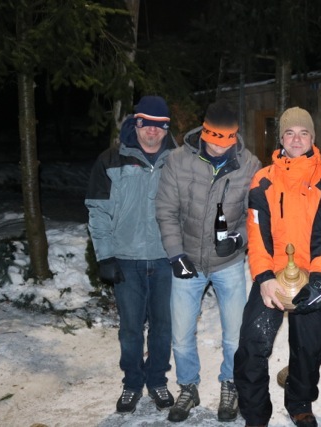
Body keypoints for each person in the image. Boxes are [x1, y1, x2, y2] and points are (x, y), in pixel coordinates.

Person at [233, 107, 321, 427]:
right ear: (281, 138)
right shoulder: (263, 179)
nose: (296, 139)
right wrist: (264, 277)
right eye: (289, 133)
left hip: (312, 277)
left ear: (312, 138)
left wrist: (319, 279)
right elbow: (257, 233)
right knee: (253, 343)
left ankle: (299, 402)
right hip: (272, 274)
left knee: (309, 346)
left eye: (303, 133)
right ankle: (255, 413)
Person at [155, 99, 261, 423]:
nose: (217, 146)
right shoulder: (178, 160)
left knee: (235, 333)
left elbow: (254, 215)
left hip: (228, 263)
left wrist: (238, 239)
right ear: (204, 131)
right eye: (213, 138)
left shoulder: (249, 164)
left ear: (234, 135)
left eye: (225, 140)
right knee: (181, 333)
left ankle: (231, 384)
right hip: (187, 259)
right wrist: (176, 254)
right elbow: (166, 211)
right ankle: (188, 387)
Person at [85, 95, 178, 414]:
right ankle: (132, 383)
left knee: (163, 327)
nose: (152, 131)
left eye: (159, 126)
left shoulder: (178, 161)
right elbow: (98, 211)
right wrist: (105, 256)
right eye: (146, 124)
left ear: (166, 128)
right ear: (135, 124)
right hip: (126, 259)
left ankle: (157, 380)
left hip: (165, 259)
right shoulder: (111, 160)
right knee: (130, 328)